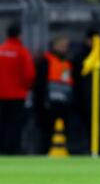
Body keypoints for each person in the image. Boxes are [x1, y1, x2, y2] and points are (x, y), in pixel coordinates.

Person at [34, 36, 73, 154]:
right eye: (62, 45)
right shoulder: (46, 60)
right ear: (55, 45)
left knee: (68, 131)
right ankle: (43, 152)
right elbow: (39, 83)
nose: (65, 48)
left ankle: (69, 152)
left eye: (66, 46)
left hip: (64, 103)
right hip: (49, 103)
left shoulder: (67, 62)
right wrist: (42, 102)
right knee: (46, 132)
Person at [0, 24, 35, 154]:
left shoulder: (0, 50)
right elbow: (29, 75)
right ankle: (14, 149)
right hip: (17, 95)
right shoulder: (22, 51)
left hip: (1, 95)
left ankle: (2, 149)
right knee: (15, 125)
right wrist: (26, 88)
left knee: (2, 124)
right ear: (19, 35)